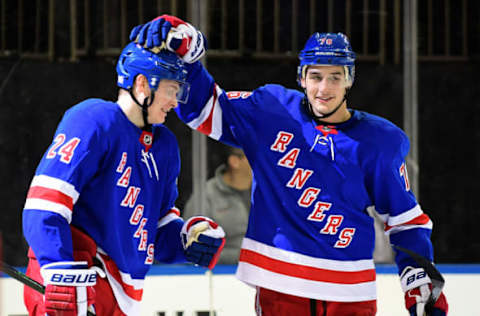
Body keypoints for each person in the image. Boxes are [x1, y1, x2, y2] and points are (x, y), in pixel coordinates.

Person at [130, 15, 449, 316]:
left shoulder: (379, 142)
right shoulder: (270, 112)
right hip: (280, 285)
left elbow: (406, 220)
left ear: (349, 79)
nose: (324, 88)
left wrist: (420, 281)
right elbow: (204, 110)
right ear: (301, 77)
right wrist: (188, 52)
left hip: (349, 291)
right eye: (316, 76)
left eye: (335, 77)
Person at [21, 42, 225, 316]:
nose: (175, 102)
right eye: (171, 90)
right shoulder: (94, 120)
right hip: (75, 279)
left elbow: (154, 230)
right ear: (142, 84)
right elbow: (43, 205)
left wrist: (188, 239)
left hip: (120, 296)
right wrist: (59, 270)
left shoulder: (164, 145)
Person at [184, 145, 252, 264]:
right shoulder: (206, 196)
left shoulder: (266, 193)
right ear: (235, 161)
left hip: (263, 272)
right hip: (221, 276)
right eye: (253, 157)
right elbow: (192, 248)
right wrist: (244, 256)